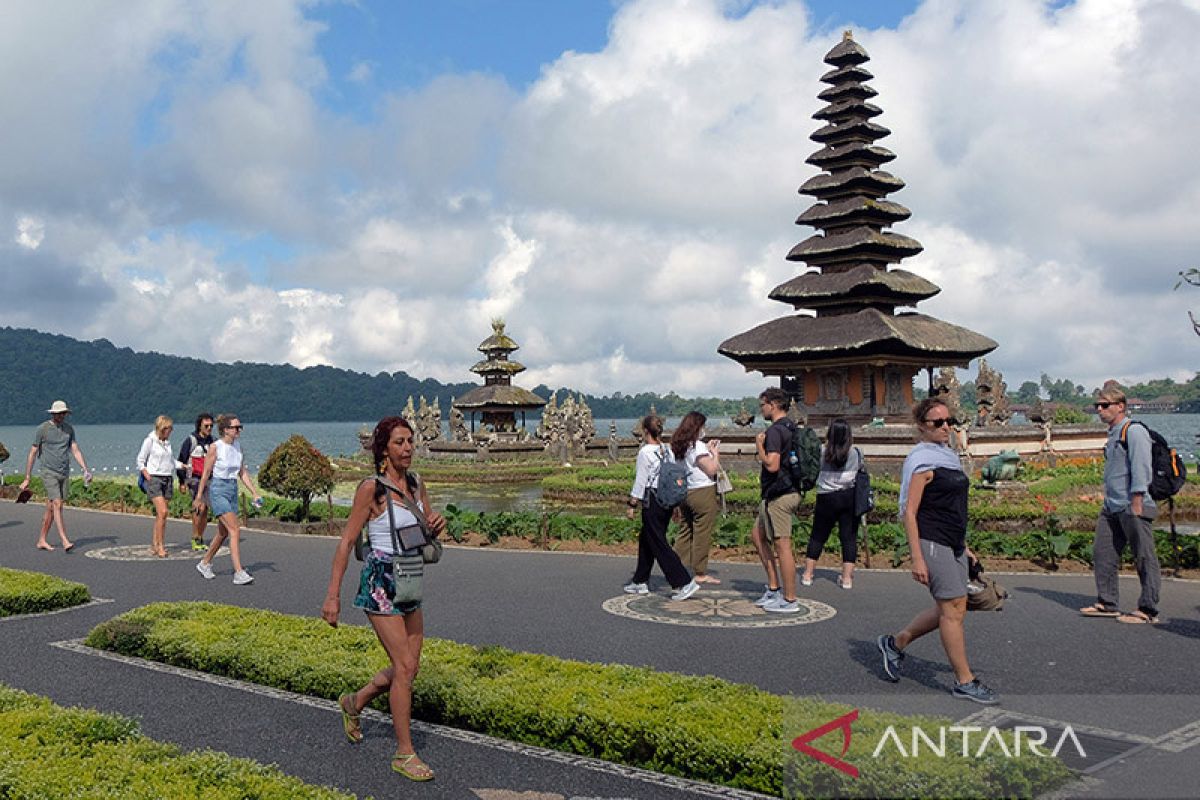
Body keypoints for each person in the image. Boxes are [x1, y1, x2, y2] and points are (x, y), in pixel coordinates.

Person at [321, 416, 446, 782]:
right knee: (404, 667)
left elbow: (426, 536)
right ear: (383, 449)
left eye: (410, 441)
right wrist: (332, 596)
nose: (407, 448)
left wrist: (437, 526)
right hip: (380, 582)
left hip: (410, 579)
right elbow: (346, 541)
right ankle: (404, 753)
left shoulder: (417, 483)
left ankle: (354, 702)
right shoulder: (371, 490)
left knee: (409, 668)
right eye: (399, 442)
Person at [876, 398, 997, 704]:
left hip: (953, 541)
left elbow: (953, 507)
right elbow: (910, 512)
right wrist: (916, 557)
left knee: (954, 606)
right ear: (921, 428)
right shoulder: (921, 462)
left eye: (949, 422)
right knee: (954, 606)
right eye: (938, 423)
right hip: (931, 541)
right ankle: (964, 681)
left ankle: (896, 642)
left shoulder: (949, 457)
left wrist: (965, 547)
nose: (946, 427)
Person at [1079, 385, 1162, 624]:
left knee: (1144, 556)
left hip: (1133, 504)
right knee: (1103, 552)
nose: (1099, 409)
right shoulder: (1113, 433)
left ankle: (1148, 609)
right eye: (1097, 405)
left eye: (1105, 405)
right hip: (1112, 505)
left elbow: (1141, 466)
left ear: (1120, 406)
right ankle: (1107, 602)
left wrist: (1137, 498)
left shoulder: (1133, 431)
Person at [623, 415, 699, 601]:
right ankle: (640, 580)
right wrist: (675, 506)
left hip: (652, 500)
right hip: (666, 499)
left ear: (645, 431)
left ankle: (682, 581)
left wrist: (632, 503)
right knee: (647, 538)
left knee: (658, 542)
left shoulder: (645, 452)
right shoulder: (667, 450)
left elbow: (641, 481)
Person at [749, 388, 804, 613]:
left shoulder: (774, 431)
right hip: (785, 490)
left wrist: (759, 447)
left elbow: (772, 464)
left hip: (780, 494)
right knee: (758, 535)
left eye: (762, 405)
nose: (761, 409)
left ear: (772, 405)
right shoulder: (792, 427)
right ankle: (773, 587)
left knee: (783, 545)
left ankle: (790, 598)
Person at [192, 414, 261, 585]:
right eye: (236, 427)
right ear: (225, 430)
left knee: (223, 532)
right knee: (235, 529)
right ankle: (239, 572)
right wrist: (199, 497)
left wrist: (254, 492)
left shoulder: (238, 447)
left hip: (232, 488)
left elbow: (242, 472)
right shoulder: (216, 447)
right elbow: (206, 473)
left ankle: (204, 563)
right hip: (218, 489)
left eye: (240, 427)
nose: (239, 430)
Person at [20, 400, 92, 552]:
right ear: (52, 414)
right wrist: (27, 477)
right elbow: (33, 452)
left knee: (52, 508)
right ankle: (65, 540)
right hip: (48, 471)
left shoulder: (68, 430)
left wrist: (85, 469)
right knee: (57, 503)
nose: (60, 416)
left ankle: (41, 540)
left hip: (64, 472)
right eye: (58, 414)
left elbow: (75, 449)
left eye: (63, 413)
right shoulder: (43, 429)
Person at [802, 418, 861, 589]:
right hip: (848, 496)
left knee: (818, 536)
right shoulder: (855, 452)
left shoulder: (822, 452)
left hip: (826, 496)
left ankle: (808, 574)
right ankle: (847, 578)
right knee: (848, 538)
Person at [670, 411, 722, 584]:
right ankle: (700, 572)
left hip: (686, 491)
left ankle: (676, 567)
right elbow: (712, 469)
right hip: (703, 491)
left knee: (685, 530)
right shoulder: (697, 446)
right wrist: (715, 453)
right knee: (702, 532)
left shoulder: (679, 445)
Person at [136, 415, 186, 557]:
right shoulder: (150, 441)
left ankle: (155, 543)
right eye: (169, 428)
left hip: (167, 478)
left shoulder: (167, 444)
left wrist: (183, 465)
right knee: (163, 512)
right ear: (163, 428)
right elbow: (140, 460)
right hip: (155, 478)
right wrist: (146, 474)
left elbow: (170, 461)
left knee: (161, 515)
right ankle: (160, 545)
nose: (171, 431)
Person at [178, 413, 215, 551]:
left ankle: (200, 536)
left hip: (209, 479)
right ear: (200, 425)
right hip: (193, 478)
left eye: (211, 425)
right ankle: (195, 537)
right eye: (206, 425)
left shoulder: (213, 441)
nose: (209, 428)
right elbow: (181, 459)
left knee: (205, 510)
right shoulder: (191, 441)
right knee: (200, 507)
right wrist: (181, 481)